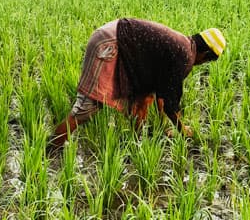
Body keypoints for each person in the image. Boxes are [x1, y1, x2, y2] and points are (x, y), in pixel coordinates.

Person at [49, 18, 225, 150]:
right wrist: (183, 130)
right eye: (207, 61)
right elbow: (171, 105)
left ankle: (136, 142)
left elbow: (160, 95)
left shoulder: (182, 46)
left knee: (145, 98)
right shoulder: (185, 56)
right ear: (205, 55)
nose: (201, 64)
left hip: (116, 38)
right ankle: (50, 150)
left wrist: (164, 128)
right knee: (88, 106)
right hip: (110, 42)